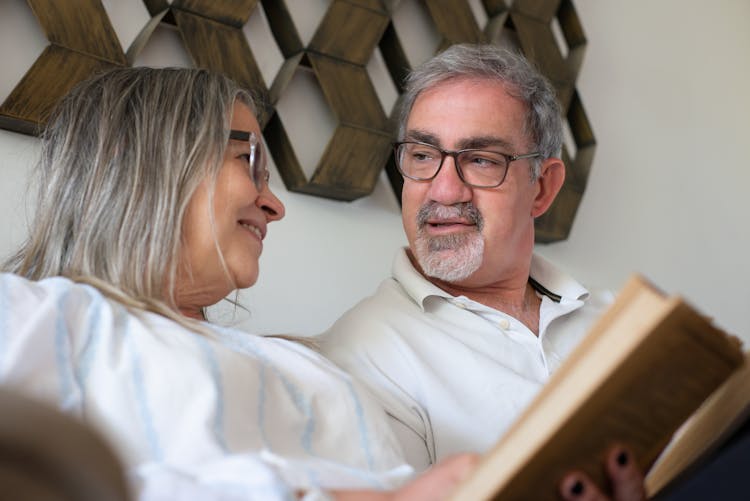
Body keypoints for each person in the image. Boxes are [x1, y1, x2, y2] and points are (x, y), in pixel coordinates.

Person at [0, 66, 478, 500]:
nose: (275, 205)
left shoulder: (302, 362)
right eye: (249, 163)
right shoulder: (35, 315)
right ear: (146, 161)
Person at [319, 43, 634, 498]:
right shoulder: (362, 354)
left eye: (481, 159)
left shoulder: (618, 318)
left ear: (542, 189)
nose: (444, 190)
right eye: (423, 156)